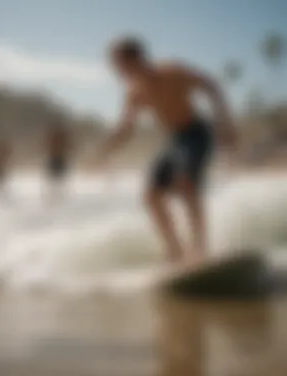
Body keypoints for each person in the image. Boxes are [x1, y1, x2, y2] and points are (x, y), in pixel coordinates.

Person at [92, 37, 236, 264]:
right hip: (174, 139)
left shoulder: (172, 72)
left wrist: (224, 122)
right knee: (150, 195)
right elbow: (126, 128)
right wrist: (105, 150)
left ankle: (199, 248)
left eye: (119, 64)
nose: (117, 71)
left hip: (196, 133)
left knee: (186, 183)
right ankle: (175, 250)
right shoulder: (135, 93)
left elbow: (210, 85)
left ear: (136, 59)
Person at [44, 121, 71, 201]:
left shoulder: (59, 137)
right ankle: (54, 194)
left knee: (57, 177)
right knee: (55, 177)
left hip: (57, 157)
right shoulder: (59, 137)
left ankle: (56, 194)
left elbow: (68, 146)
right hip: (55, 157)